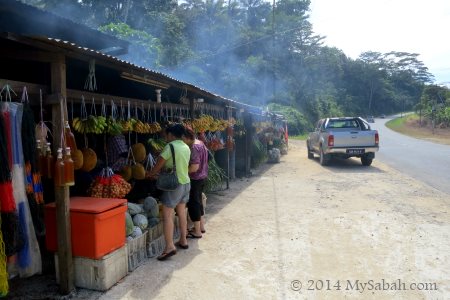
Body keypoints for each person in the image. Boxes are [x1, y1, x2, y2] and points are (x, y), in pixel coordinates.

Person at [146, 123, 191, 260]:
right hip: (186, 183)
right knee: (182, 211)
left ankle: (169, 246)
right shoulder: (186, 146)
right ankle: (183, 240)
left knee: (167, 215)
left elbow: (158, 165)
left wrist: (150, 173)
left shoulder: (170, 147)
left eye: (166, 135)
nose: (165, 137)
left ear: (171, 135)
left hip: (174, 185)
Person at [183, 126, 209, 238]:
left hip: (195, 178)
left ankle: (197, 231)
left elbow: (194, 167)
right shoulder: (200, 143)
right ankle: (201, 227)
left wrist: (182, 172)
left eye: (182, 138)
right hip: (202, 177)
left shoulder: (193, 147)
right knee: (198, 202)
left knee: (193, 204)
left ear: (186, 137)